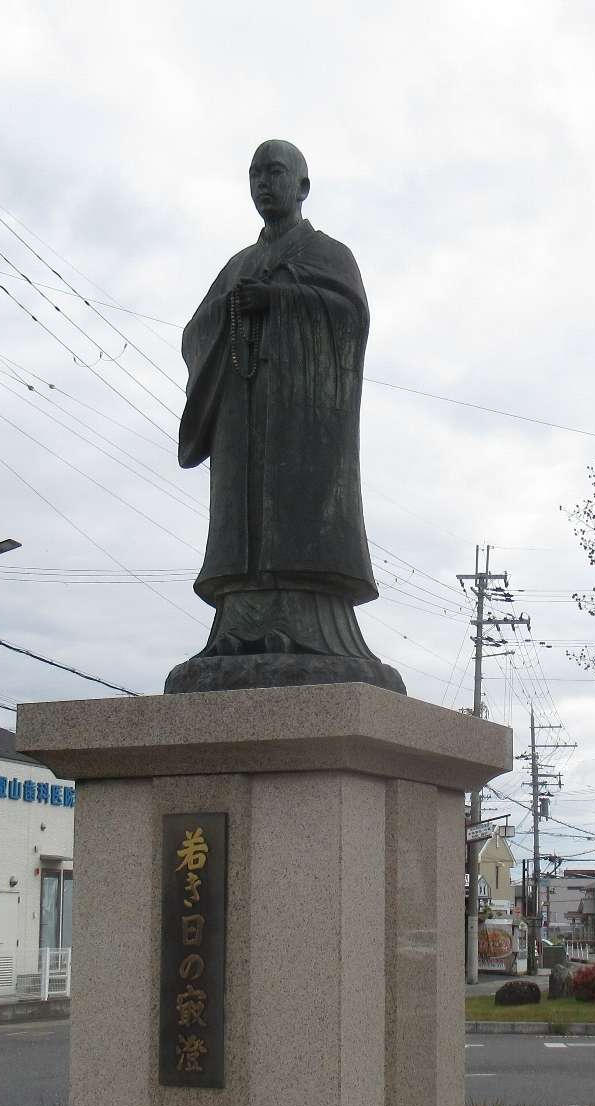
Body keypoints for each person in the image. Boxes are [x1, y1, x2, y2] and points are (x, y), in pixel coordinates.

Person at [169, 139, 403, 693]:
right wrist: (235, 312)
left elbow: (352, 318)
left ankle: (310, 620)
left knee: (301, 510)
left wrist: (281, 299)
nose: (262, 184)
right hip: (243, 424)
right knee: (241, 517)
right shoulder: (237, 267)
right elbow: (194, 335)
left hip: (305, 422)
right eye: (254, 175)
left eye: (274, 172)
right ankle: (239, 623)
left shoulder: (329, 255)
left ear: (302, 184)